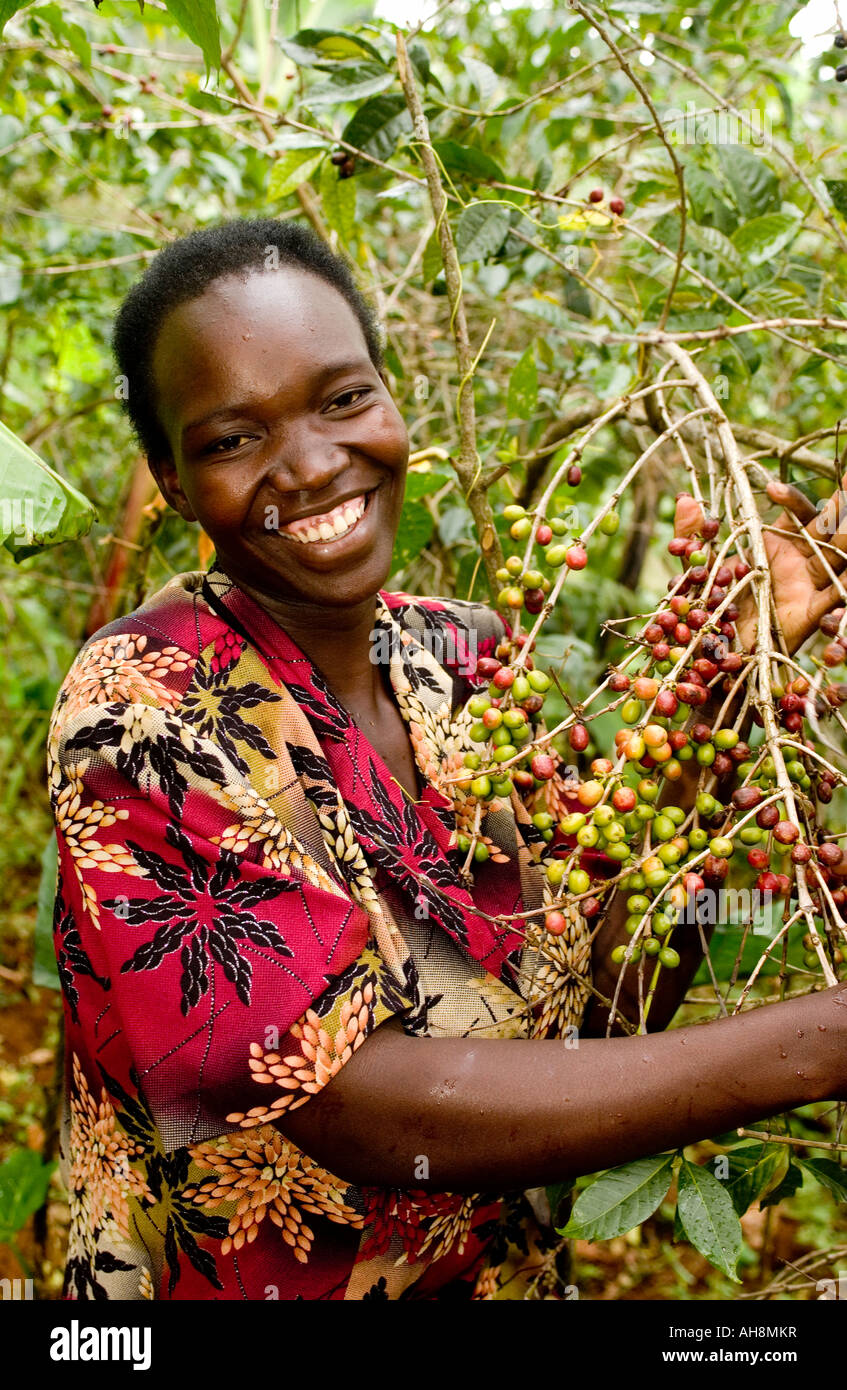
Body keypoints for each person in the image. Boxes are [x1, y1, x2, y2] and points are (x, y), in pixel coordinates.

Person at [47, 218, 847, 1301]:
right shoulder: (142, 710)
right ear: (174, 481)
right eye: (236, 438)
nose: (314, 464)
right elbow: (350, 1105)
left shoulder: (466, 661)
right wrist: (814, 1044)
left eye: (341, 398)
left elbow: (603, 1012)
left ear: (390, 396)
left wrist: (730, 669)